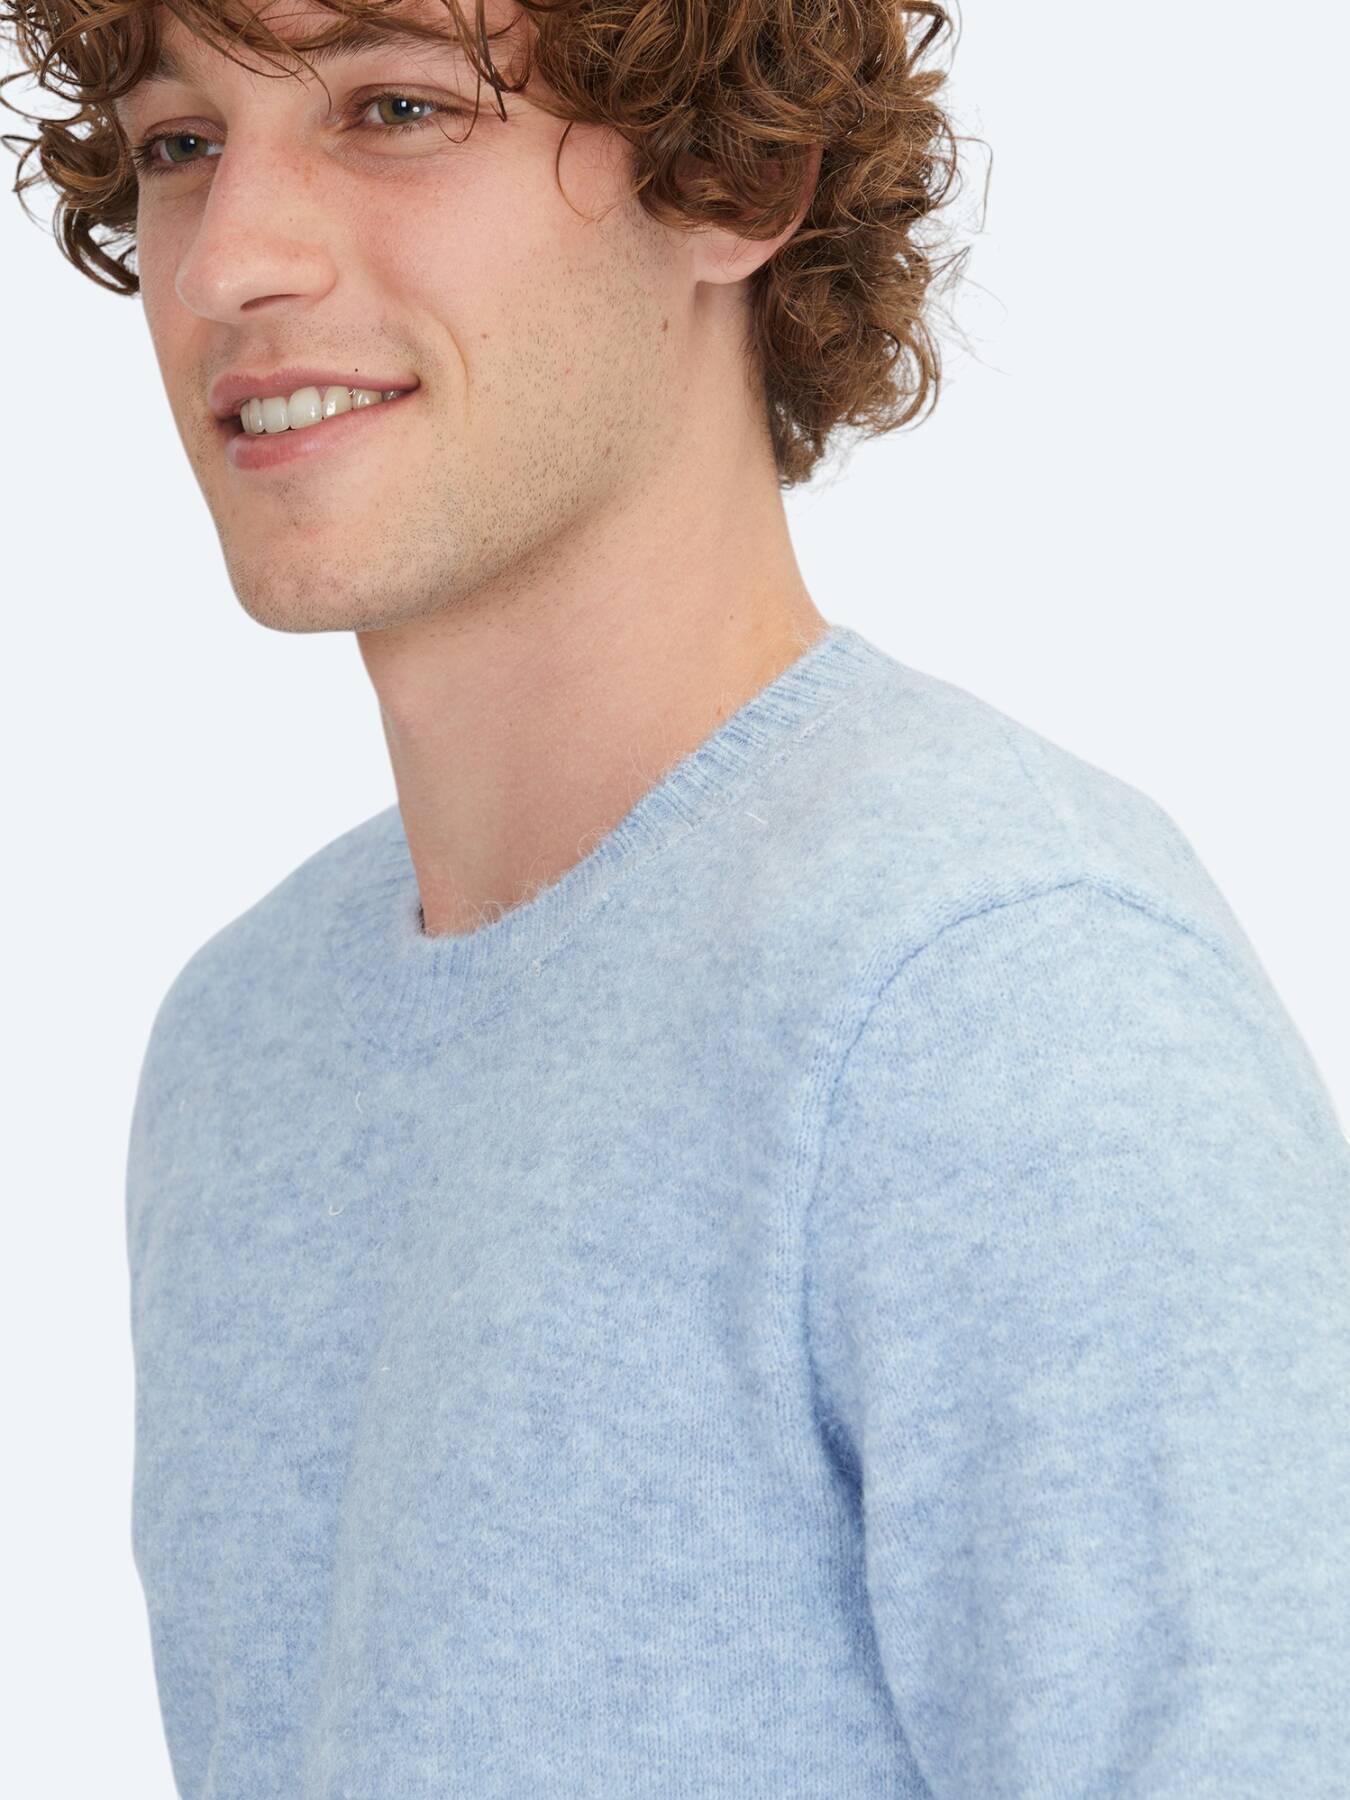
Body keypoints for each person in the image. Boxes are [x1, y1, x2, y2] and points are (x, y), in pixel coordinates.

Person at [5, 0, 1347, 1793]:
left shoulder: (993, 997)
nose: (226, 261)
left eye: (394, 108)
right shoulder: (249, 1037)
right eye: (181, 145)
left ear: (734, 178)